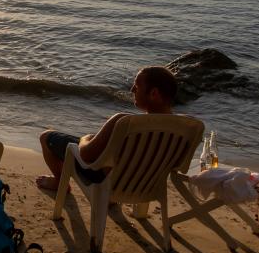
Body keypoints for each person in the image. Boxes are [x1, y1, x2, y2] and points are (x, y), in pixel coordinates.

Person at [35, 66, 178, 192]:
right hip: (147, 184)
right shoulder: (186, 128)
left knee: (46, 136)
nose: (132, 89)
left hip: (107, 181)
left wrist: (86, 139)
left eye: (137, 86)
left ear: (154, 94)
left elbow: (85, 155)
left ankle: (60, 183)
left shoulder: (124, 122)